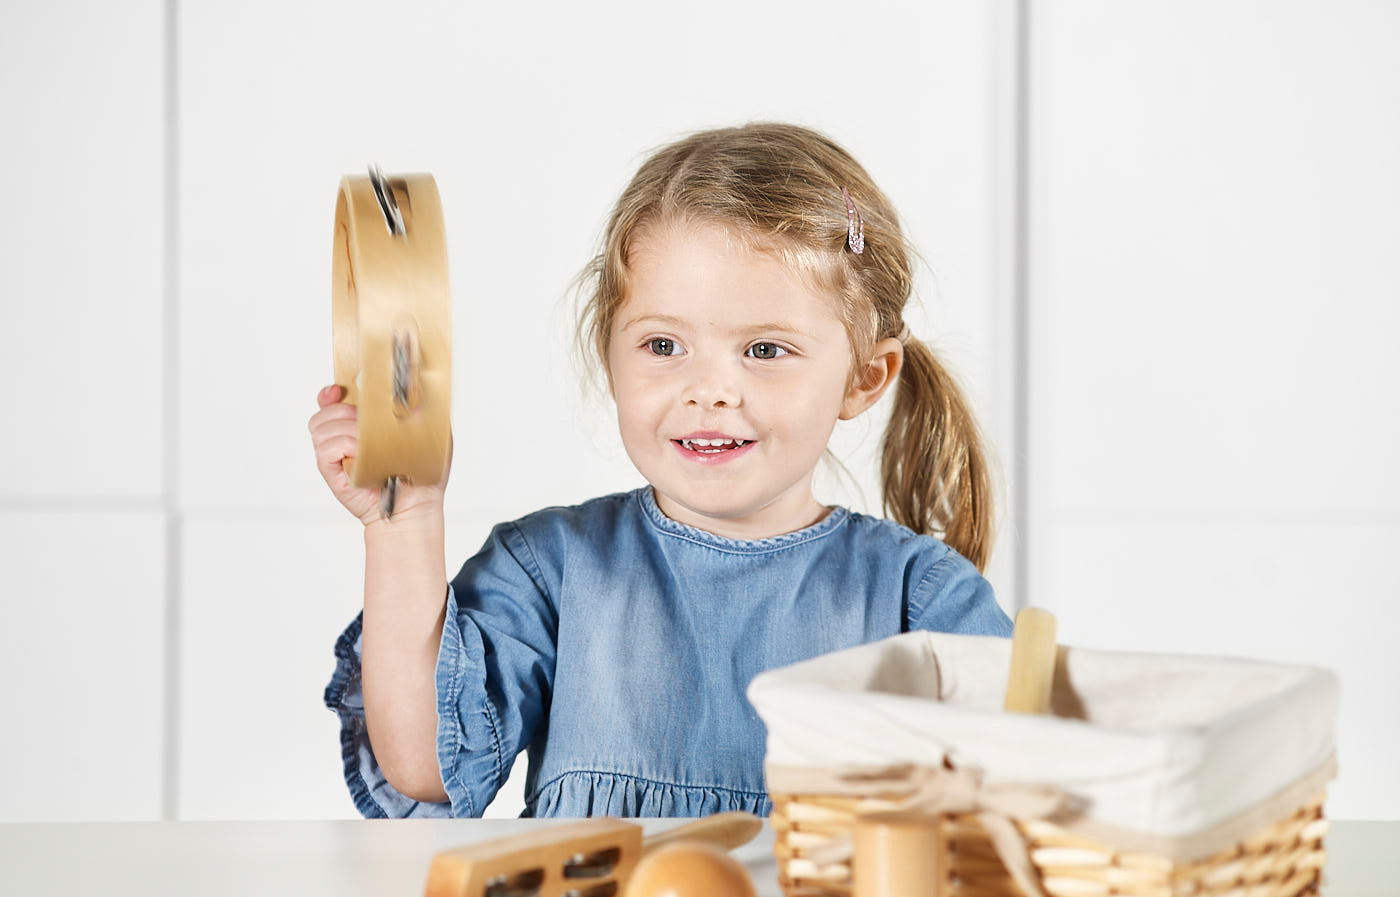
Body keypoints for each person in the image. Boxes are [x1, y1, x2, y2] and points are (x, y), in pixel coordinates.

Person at [308, 121, 1014, 820]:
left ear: (864, 377)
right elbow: (424, 765)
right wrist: (403, 521)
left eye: (765, 350)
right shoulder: (553, 570)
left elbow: (1020, 802)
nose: (708, 391)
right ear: (610, 353)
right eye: (664, 345)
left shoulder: (919, 599)